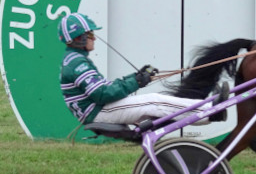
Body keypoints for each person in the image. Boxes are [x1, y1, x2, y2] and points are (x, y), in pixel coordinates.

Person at [58, 12, 228, 125]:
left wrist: (136, 77)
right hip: (98, 111)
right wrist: (137, 81)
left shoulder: (75, 60)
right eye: (91, 35)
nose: (94, 38)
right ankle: (210, 111)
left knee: (156, 102)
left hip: (97, 109)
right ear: (79, 38)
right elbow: (103, 94)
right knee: (154, 102)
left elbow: (105, 88)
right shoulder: (77, 63)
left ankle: (208, 110)